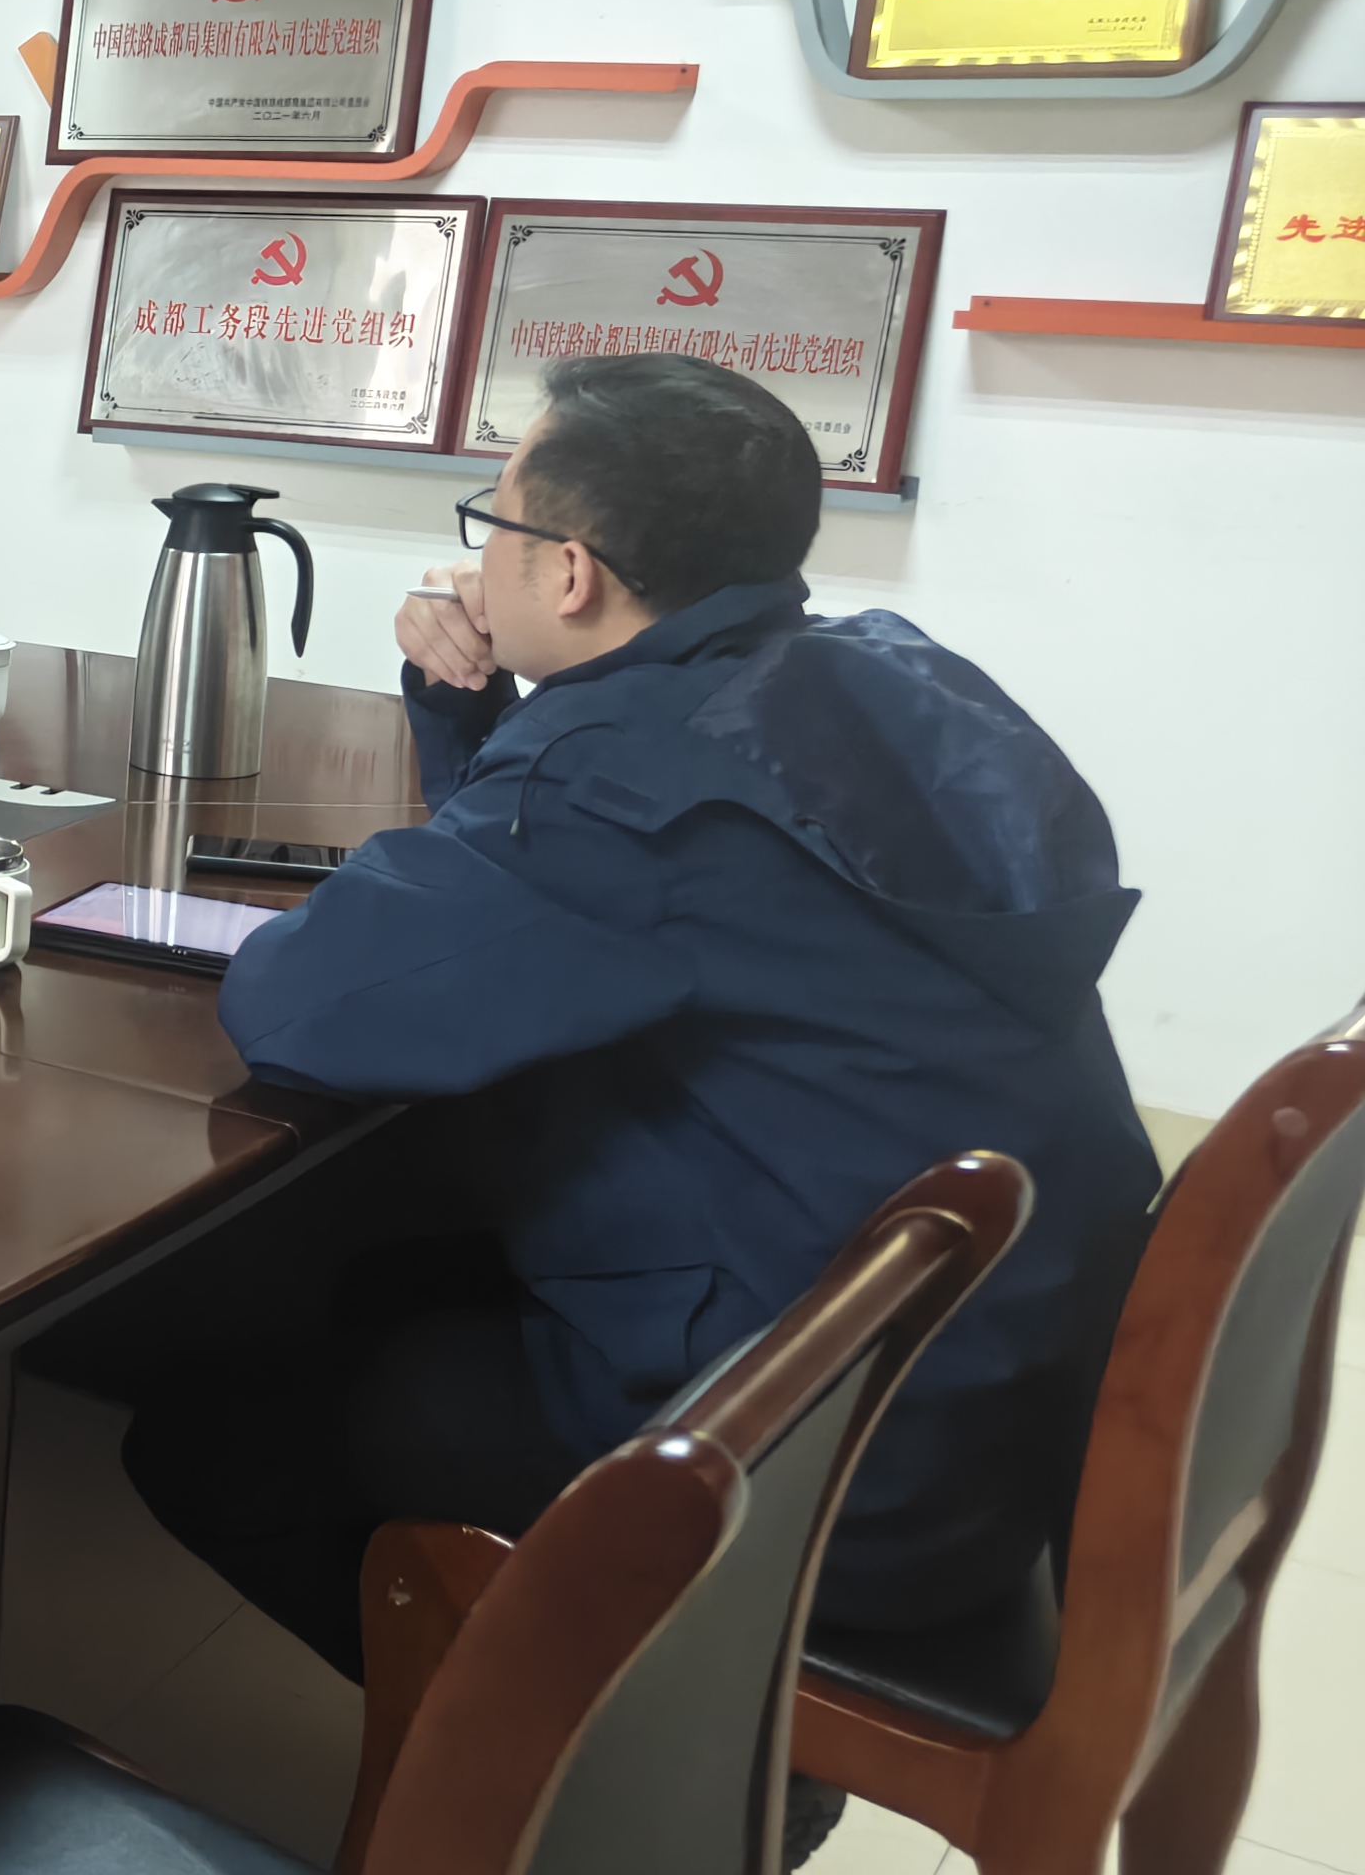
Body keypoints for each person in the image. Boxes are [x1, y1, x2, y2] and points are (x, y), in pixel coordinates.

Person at [129, 352, 1159, 1693]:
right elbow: (566, 897)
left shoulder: (623, 778)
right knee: (393, 1268)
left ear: (569, 573)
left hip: (810, 1472)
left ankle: (555, 1770)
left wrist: (520, 754)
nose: (477, 559)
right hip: (984, 1399)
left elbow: (304, 1004)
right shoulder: (876, 675)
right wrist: (479, 711)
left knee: (214, 1440)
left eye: (493, 521)